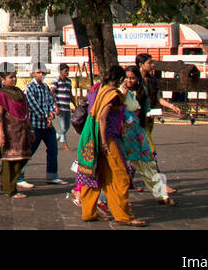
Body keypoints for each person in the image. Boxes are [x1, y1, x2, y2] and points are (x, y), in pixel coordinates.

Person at [76, 65, 145, 226]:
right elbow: (102, 117)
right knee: (120, 176)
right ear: (120, 79)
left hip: (92, 138)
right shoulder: (112, 94)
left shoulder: (101, 90)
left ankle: (89, 212)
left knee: (94, 175)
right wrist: (104, 143)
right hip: (107, 139)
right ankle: (123, 215)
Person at [122, 65, 174, 204]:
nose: (129, 81)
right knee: (119, 166)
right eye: (127, 78)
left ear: (138, 79)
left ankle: (161, 195)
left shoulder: (142, 91)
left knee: (149, 163)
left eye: (132, 78)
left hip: (138, 132)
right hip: (122, 133)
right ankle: (119, 199)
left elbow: (146, 109)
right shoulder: (120, 91)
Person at [0, 68, 33, 197]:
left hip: (22, 131)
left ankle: (3, 179)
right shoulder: (1, 95)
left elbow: (26, 112)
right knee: (9, 161)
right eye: (10, 77)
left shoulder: (19, 92)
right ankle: (10, 190)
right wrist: (1, 134)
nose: (14, 79)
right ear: (3, 79)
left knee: (22, 158)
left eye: (15, 77)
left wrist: (30, 129)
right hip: (9, 133)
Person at [22, 65, 63, 185]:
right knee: (28, 152)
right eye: (38, 72)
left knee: (53, 149)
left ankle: (52, 175)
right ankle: (19, 176)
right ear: (33, 73)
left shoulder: (45, 87)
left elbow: (50, 101)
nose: (41, 75)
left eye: (42, 72)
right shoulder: (30, 88)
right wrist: (46, 116)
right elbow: (33, 106)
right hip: (35, 125)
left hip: (47, 125)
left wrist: (51, 113)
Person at [52, 63, 75, 150]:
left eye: (68, 71)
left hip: (67, 107)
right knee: (62, 127)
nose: (67, 72)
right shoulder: (56, 81)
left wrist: (75, 105)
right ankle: (65, 145)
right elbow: (52, 94)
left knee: (67, 126)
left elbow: (70, 94)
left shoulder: (69, 81)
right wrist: (56, 107)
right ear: (60, 71)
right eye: (66, 71)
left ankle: (54, 139)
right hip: (60, 107)